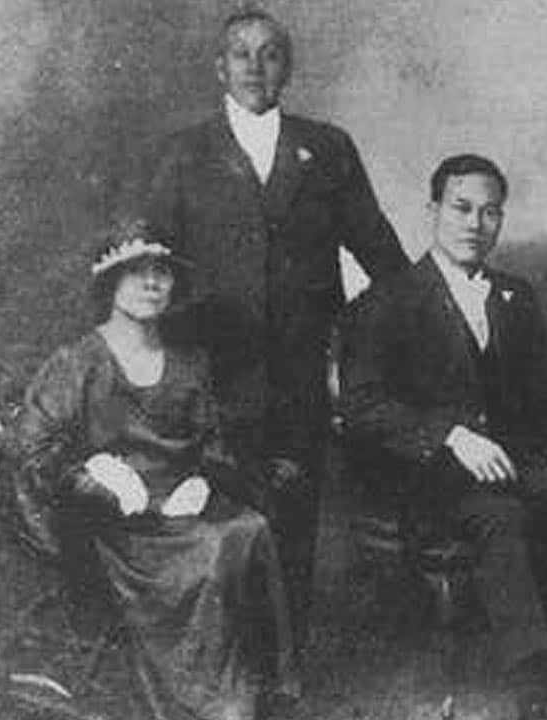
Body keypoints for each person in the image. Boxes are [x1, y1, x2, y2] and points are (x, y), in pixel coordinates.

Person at [143, 10, 411, 642]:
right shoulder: (185, 153)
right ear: (219, 67)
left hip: (298, 377)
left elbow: (384, 258)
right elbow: (149, 259)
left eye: (269, 55)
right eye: (242, 55)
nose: (255, 68)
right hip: (210, 373)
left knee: (292, 522)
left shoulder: (328, 148)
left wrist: (363, 342)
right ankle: (220, 662)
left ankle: (282, 673)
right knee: (215, 519)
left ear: (287, 66)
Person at [339, 154, 547, 720]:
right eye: (462, 208)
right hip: (428, 481)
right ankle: (536, 690)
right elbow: (362, 405)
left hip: (516, 466)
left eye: (490, 213)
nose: (474, 224)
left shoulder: (517, 296)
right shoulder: (387, 299)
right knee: (501, 519)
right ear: (432, 210)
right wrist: (449, 436)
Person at [14, 219, 299, 720]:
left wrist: (203, 477)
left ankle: (250, 689)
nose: (151, 283)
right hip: (116, 527)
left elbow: (213, 442)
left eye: (162, 272)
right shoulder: (77, 363)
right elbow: (36, 454)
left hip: (182, 507)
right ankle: (206, 701)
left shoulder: (189, 362)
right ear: (110, 281)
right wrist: (104, 483)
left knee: (249, 529)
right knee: (213, 548)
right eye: (137, 272)